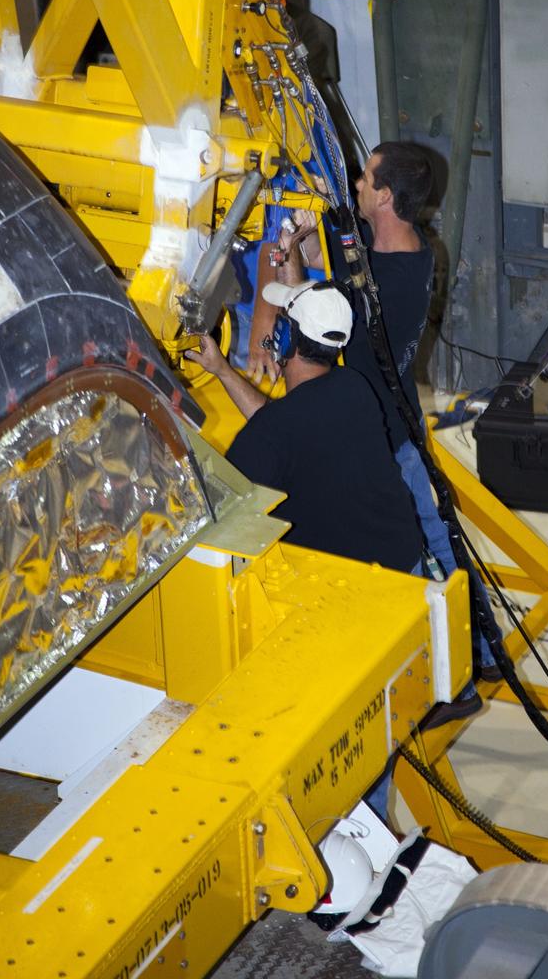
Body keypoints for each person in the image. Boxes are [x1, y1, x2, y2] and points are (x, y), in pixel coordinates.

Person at [278, 142, 498, 687]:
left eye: (365, 178)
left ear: (385, 195)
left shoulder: (381, 285)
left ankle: (462, 665)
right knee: (438, 531)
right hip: (402, 422)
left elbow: (317, 308)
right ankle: (486, 647)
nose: (356, 182)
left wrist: (296, 255)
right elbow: (356, 248)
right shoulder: (415, 250)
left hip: (381, 437)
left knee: (420, 541)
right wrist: (327, 219)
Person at [185, 279, 424, 571]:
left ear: (287, 337)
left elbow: (214, 513)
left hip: (349, 590)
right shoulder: (354, 386)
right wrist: (222, 370)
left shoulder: (271, 434)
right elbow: (287, 424)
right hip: (405, 563)